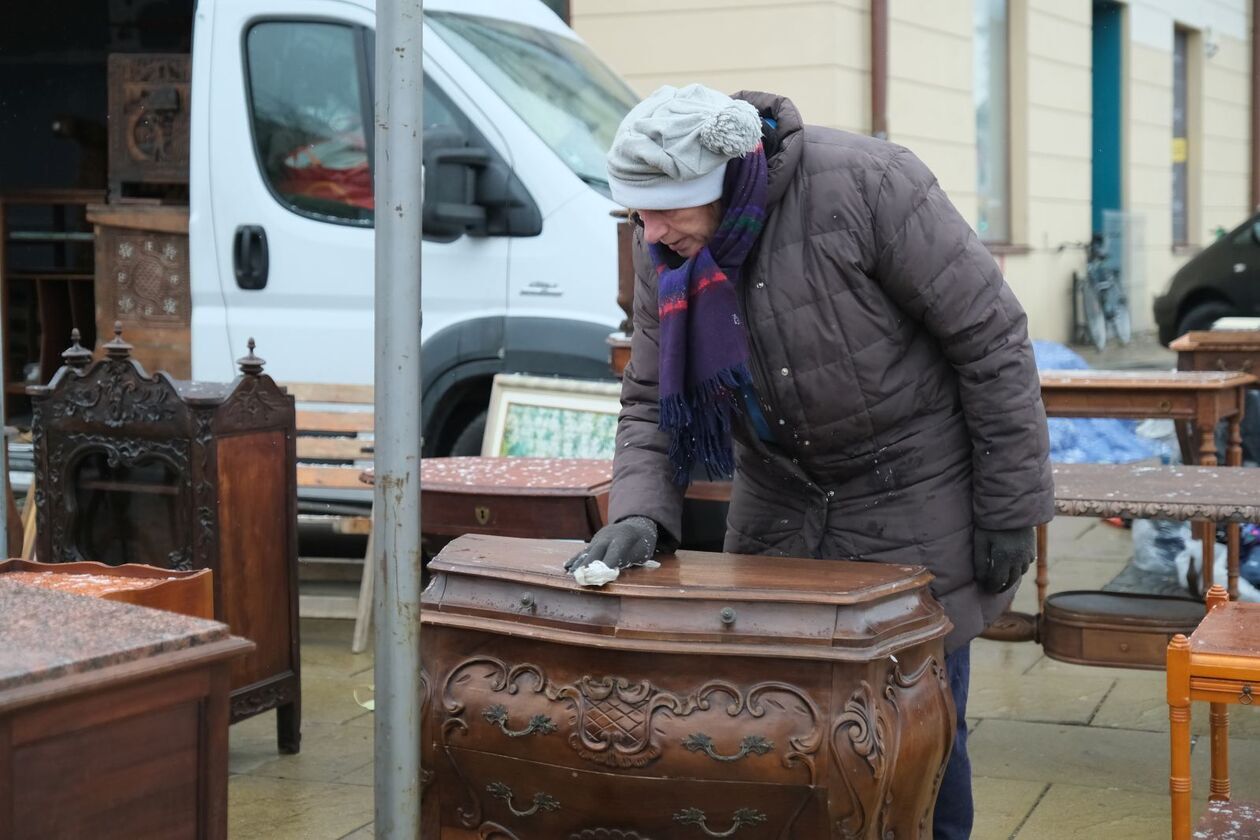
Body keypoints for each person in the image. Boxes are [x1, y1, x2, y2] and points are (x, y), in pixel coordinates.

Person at [566, 83, 1054, 839]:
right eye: (638, 210)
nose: (650, 230)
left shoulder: (870, 185)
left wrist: (1010, 508)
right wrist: (638, 514)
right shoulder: (665, 243)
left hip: (910, 489)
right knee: (769, 738)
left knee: (916, 741)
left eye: (667, 209)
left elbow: (991, 341)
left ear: (727, 183)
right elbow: (648, 399)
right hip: (778, 501)